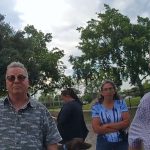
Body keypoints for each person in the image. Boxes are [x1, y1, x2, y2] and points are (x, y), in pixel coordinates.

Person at [0, 61, 62, 149]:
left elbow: (52, 143)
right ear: (6, 82)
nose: (16, 81)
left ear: (28, 81)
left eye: (21, 77)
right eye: (11, 78)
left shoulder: (41, 111)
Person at [91, 80, 130, 150]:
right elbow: (96, 129)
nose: (108, 91)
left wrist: (107, 125)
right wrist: (118, 128)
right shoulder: (96, 107)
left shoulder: (121, 103)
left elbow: (126, 122)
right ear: (102, 93)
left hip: (122, 141)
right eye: (105, 89)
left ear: (114, 91)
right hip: (103, 143)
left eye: (110, 88)